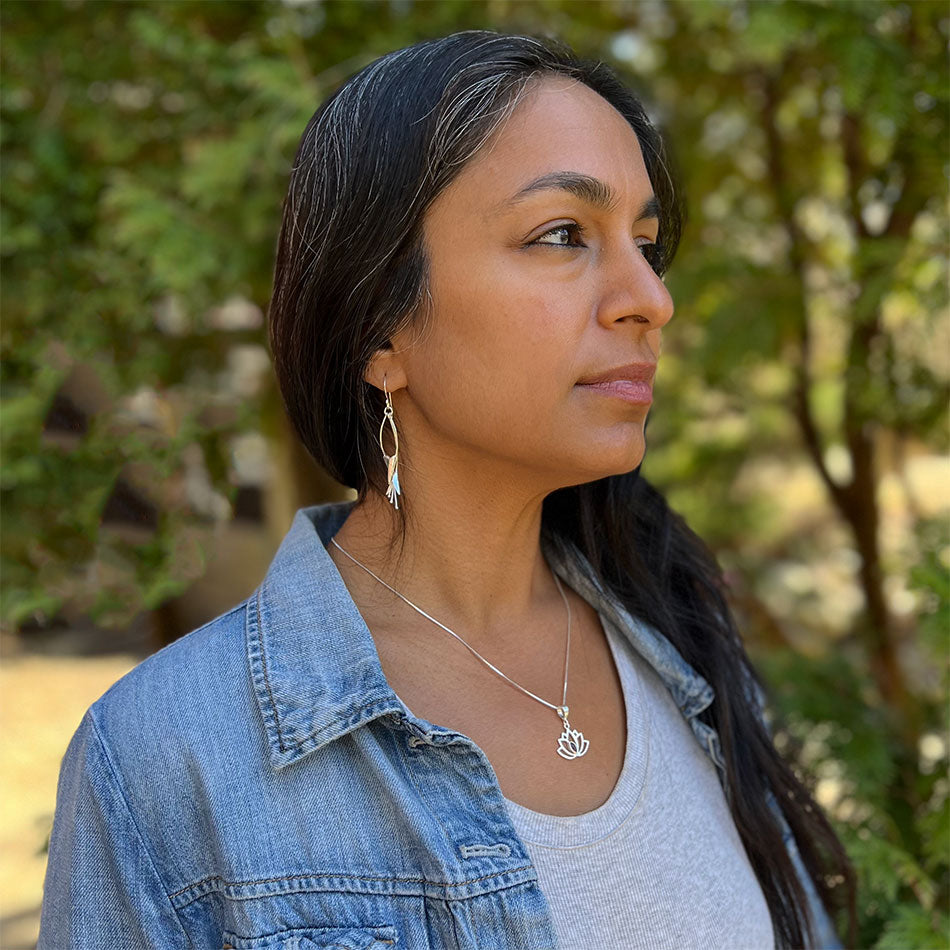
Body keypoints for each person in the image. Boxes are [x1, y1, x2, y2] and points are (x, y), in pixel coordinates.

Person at [38, 30, 856, 950]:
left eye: (646, 243)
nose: (648, 299)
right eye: (562, 235)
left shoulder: (687, 643)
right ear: (379, 333)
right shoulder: (165, 758)